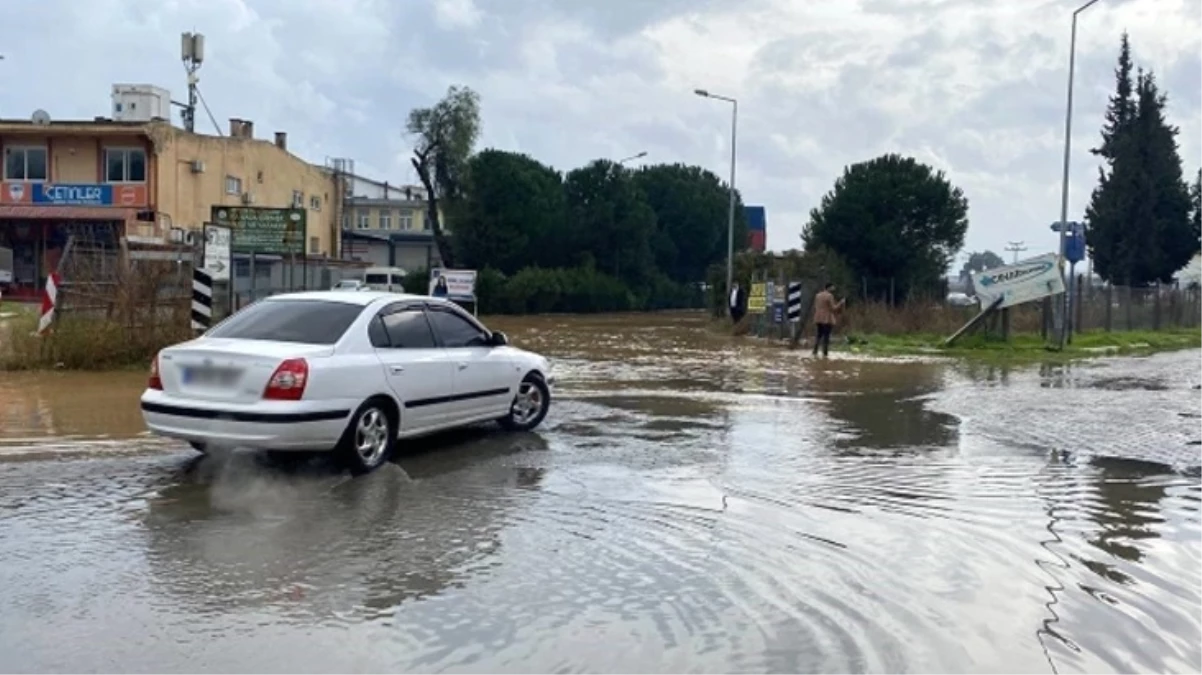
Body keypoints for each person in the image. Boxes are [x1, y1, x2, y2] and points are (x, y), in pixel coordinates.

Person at [812, 282, 845, 357]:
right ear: (829, 288)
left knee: (819, 335)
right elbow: (833, 308)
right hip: (827, 318)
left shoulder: (818, 295)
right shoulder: (829, 296)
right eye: (833, 287)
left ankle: (815, 351)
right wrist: (841, 303)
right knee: (826, 336)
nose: (834, 289)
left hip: (818, 317)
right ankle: (825, 353)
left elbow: (816, 306)